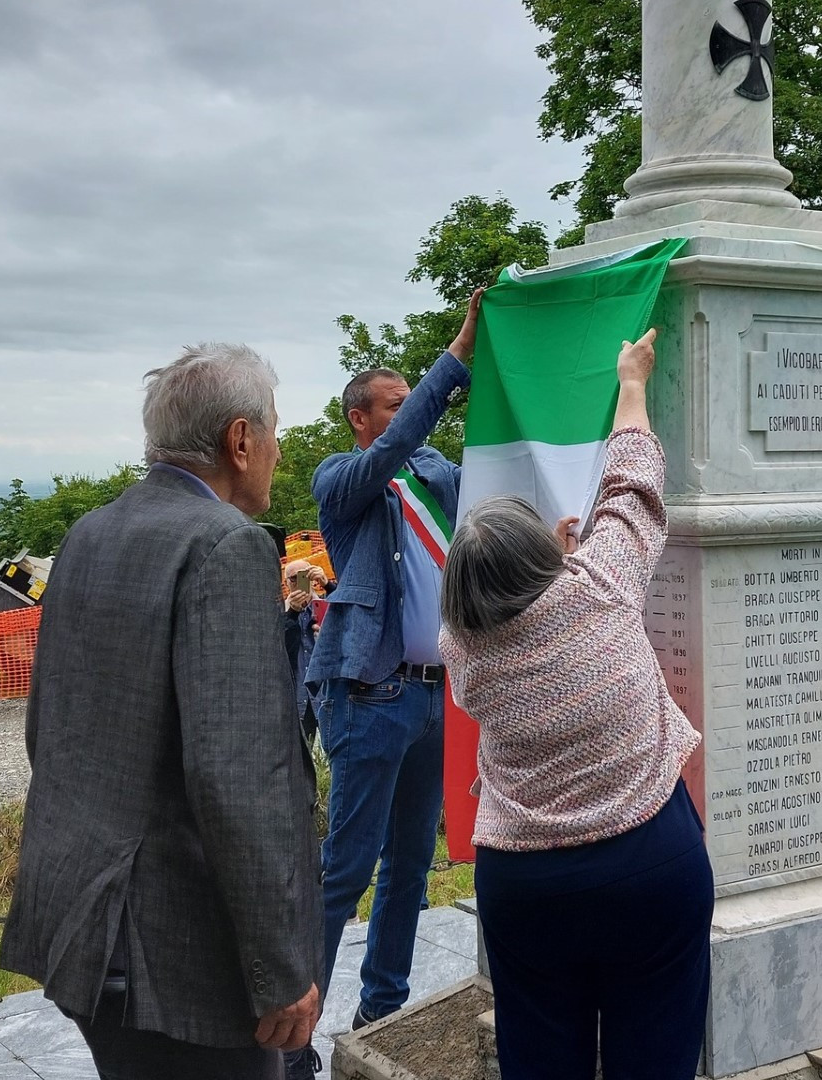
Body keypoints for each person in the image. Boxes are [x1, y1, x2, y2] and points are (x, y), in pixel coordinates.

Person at [0, 343, 321, 1080]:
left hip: (83, 924)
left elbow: (46, 724)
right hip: (174, 957)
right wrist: (280, 968)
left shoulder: (90, 531)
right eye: (274, 432)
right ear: (241, 440)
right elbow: (236, 778)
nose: (276, 450)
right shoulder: (227, 547)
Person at [438, 329, 711, 1080]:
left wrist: (549, 560)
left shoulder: (464, 649)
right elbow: (632, 483)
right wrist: (630, 383)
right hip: (648, 863)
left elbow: (505, 606)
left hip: (524, 887)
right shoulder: (599, 589)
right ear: (551, 564)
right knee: (654, 1050)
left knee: (540, 1056)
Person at [301, 289, 483, 1043]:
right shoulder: (342, 480)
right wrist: (456, 355)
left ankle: (381, 1008)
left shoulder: (436, 472)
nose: (409, 409)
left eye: (412, 398)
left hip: (435, 694)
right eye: (396, 401)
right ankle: (292, 1034)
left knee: (409, 868)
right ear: (360, 417)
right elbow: (393, 451)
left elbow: (479, 492)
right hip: (369, 697)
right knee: (344, 872)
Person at [280, 560, 329, 745]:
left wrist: (326, 583)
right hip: (297, 695)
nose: (300, 582)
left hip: (325, 692)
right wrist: (291, 613)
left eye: (305, 576)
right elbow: (280, 649)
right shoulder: (279, 613)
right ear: (286, 583)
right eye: (295, 578)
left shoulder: (326, 605)